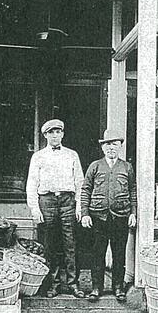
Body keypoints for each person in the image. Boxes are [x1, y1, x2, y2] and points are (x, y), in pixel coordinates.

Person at [26, 119, 86, 298]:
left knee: (71, 243)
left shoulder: (72, 155)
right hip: (47, 201)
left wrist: (79, 206)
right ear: (45, 135)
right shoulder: (38, 156)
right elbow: (32, 183)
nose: (55, 135)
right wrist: (35, 209)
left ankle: (73, 283)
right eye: (51, 132)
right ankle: (52, 284)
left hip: (68, 201)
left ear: (62, 134)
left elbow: (79, 182)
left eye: (58, 132)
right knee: (49, 244)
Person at [79, 129, 137, 302]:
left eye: (115, 144)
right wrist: (85, 213)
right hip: (98, 217)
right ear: (102, 147)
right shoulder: (95, 166)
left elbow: (132, 191)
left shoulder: (126, 167)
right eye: (107, 144)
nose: (111, 147)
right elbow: (85, 190)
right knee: (98, 253)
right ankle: (97, 287)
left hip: (120, 217)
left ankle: (118, 287)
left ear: (120, 146)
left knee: (119, 253)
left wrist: (133, 213)